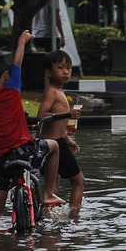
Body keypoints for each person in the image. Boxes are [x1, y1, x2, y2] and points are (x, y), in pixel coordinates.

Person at [0, 31, 65, 232]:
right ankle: (48, 193)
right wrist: (21, 41)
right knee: (55, 146)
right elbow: (18, 62)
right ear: (6, 76)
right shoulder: (12, 88)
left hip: (2, 159)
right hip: (25, 150)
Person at [38, 50, 84, 216]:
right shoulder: (52, 91)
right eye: (60, 67)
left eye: (69, 68)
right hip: (54, 144)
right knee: (79, 182)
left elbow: (57, 124)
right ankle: (74, 219)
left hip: (57, 141)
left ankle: (47, 219)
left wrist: (68, 139)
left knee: (53, 187)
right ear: (49, 72)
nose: (66, 71)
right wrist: (68, 115)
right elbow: (41, 115)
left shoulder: (59, 91)